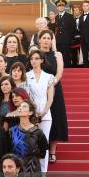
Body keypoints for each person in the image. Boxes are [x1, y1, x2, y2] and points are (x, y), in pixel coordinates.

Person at [37, 31, 69, 162]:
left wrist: (49, 85)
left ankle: (52, 151)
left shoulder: (57, 55)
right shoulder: (35, 55)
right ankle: (39, 148)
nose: (46, 40)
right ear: (39, 40)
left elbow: (60, 73)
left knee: (55, 117)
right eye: (43, 38)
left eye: (48, 38)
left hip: (54, 89)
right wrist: (40, 86)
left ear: (52, 41)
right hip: (38, 90)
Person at [9, 100, 49, 177]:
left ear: (30, 112)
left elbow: (42, 153)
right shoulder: (12, 130)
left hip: (33, 169)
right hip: (16, 169)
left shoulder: (38, 132)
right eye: (19, 107)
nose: (20, 108)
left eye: (24, 106)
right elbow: (8, 151)